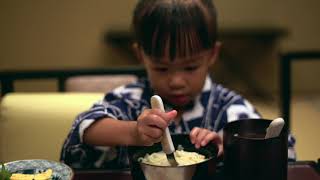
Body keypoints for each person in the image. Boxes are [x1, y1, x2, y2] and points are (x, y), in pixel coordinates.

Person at [60, 0, 295, 169]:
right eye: (161, 68)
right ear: (141, 56)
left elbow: (287, 156)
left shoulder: (229, 108)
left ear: (212, 54)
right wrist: (134, 132)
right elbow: (85, 128)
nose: (176, 81)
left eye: (191, 67)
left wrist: (232, 148)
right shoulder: (130, 99)